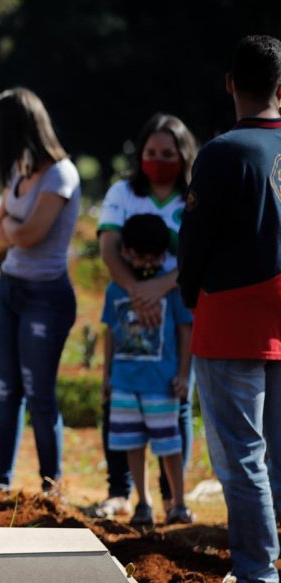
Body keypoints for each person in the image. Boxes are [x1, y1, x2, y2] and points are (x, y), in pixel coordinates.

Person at [178, 34, 281, 583]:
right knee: (277, 455)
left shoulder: (222, 152)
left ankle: (258, 577)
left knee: (243, 455)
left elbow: (194, 244)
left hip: (232, 318)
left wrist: (192, 295)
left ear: (229, 84)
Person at [94, 113, 199, 519]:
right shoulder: (123, 192)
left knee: (175, 408)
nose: (158, 159)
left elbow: (198, 256)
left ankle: (174, 497)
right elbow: (109, 248)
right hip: (132, 306)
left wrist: (162, 287)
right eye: (151, 152)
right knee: (124, 414)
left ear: (183, 154)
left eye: (168, 153)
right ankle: (126, 493)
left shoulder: (193, 196)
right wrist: (138, 292)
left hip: (176, 305)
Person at [0, 87, 80, 494]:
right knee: (6, 390)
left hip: (45, 296)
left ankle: (50, 487)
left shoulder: (61, 174)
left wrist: (9, 228)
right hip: (9, 290)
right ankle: (0, 483)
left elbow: (24, 234)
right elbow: (4, 229)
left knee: (40, 393)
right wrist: (10, 230)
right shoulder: (19, 172)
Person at [101, 214, 194, 526]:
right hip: (126, 382)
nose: (144, 263)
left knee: (169, 445)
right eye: (138, 256)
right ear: (125, 252)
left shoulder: (172, 290)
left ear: (164, 255)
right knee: (132, 445)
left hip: (161, 383)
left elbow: (185, 330)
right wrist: (107, 377)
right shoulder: (116, 290)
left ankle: (178, 502)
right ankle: (143, 502)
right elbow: (111, 332)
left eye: (153, 257)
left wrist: (183, 374)